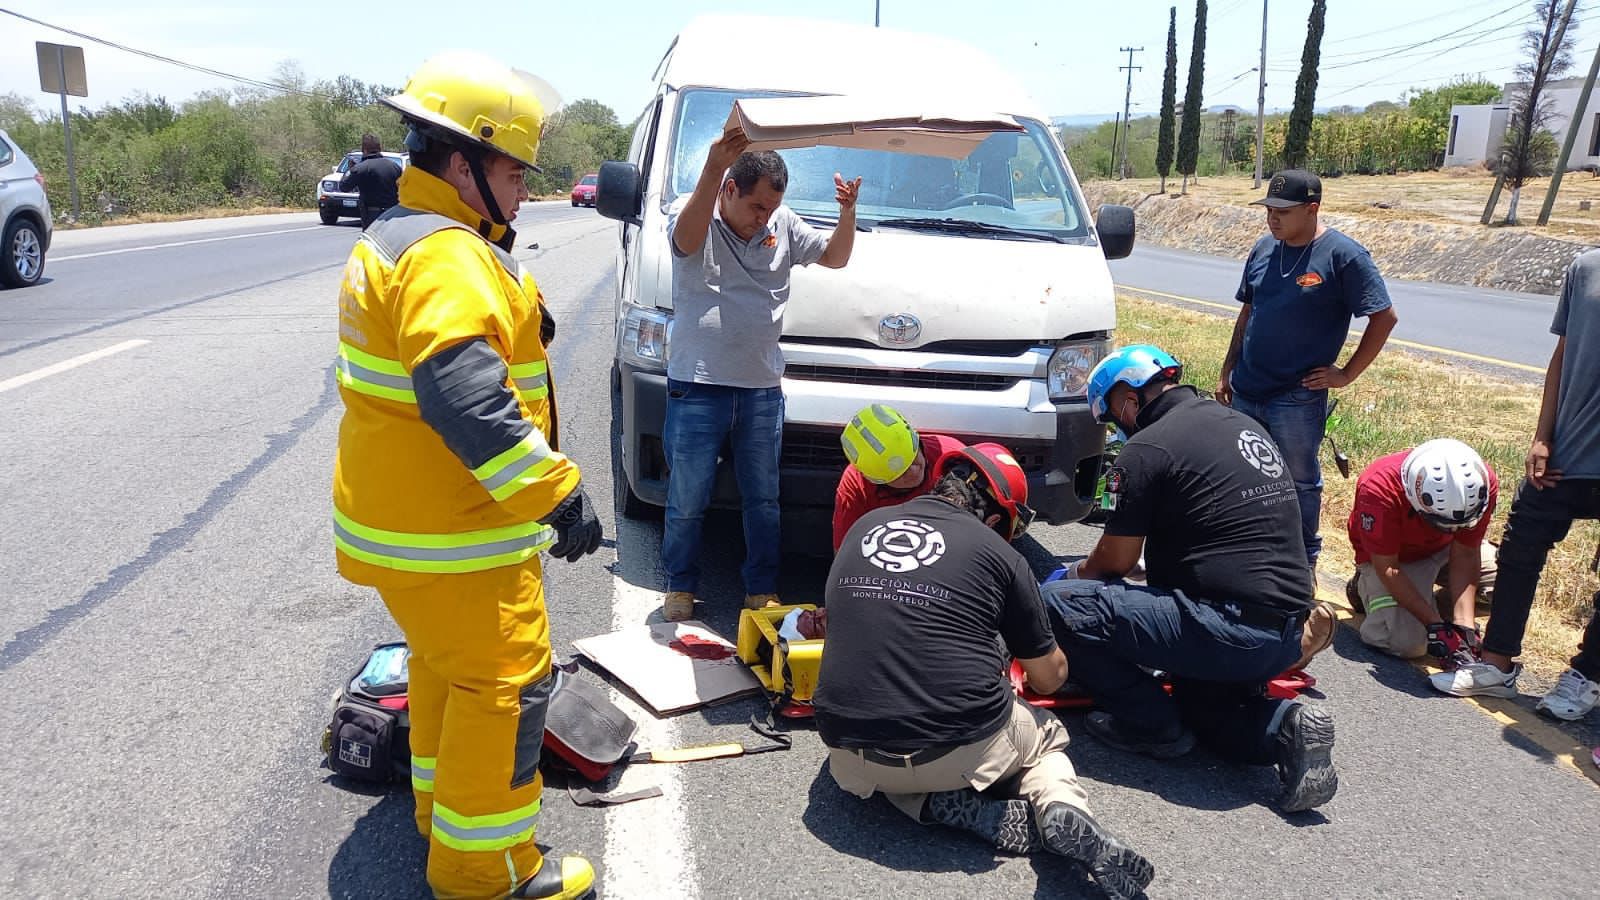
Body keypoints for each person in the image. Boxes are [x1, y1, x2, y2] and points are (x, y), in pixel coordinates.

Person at [332, 52, 602, 899]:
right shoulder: (447, 255)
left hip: (412, 523)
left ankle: (438, 814)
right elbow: (464, 395)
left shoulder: (406, 237)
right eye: (513, 170)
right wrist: (555, 490)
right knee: (507, 681)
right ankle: (485, 870)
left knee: (449, 670)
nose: (524, 188)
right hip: (454, 529)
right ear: (463, 163)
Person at [816, 444, 1154, 900]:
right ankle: (1059, 806)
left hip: (849, 754)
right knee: (1046, 735)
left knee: (886, 749)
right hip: (957, 748)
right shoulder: (1000, 553)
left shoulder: (864, 526)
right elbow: (1049, 678)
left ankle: (929, 804)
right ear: (996, 519)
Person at [1045, 344, 1338, 813]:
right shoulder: (1241, 424)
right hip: (1282, 629)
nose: (1120, 430)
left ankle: (1148, 725)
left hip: (1225, 625)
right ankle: (1289, 727)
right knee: (1207, 715)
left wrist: (1065, 577)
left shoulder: (1146, 448)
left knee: (1063, 604)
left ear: (1127, 400)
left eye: (1114, 419)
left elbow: (1112, 563)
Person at [660, 133, 862, 621]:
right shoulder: (696, 219)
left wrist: (847, 212)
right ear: (728, 190)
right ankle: (680, 587)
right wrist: (711, 168)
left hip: (761, 391)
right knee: (687, 497)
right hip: (698, 386)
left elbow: (836, 257)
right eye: (755, 205)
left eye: (771, 208)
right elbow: (684, 241)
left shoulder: (783, 225)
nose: (763, 218)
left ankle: (760, 589)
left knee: (764, 500)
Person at [1432, 250, 1600, 722]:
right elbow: (1563, 357)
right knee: (1520, 547)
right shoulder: (1586, 268)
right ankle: (1497, 663)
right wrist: (1542, 435)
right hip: (1568, 450)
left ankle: (1587, 674)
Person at [1218, 169, 1399, 569]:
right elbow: (1248, 311)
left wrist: (1346, 374)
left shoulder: (1344, 256)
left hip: (1296, 396)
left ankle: (1301, 563)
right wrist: (1226, 370)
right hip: (1248, 388)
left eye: (1282, 211)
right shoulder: (1264, 249)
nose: (1272, 218)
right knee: (1246, 473)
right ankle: (1251, 551)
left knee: (1299, 481)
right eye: (1268, 209)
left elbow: (1384, 317)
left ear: (1312, 209)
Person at [1346, 439, 1499, 664]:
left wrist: (1464, 625)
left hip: (1447, 550)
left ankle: (1442, 614)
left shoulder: (1481, 484)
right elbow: (1388, 566)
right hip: (1393, 561)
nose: (1453, 530)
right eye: (1441, 523)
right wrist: (1432, 624)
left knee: (1507, 583)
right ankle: (1362, 587)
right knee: (1407, 645)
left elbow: (1466, 552)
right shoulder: (1378, 487)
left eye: (1460, 525)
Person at [832, 403, 966, 552]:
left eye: (913, 457)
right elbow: (845, 553)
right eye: (900, 474)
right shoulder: (856, 485)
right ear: (875, 481)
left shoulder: (952, 456)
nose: (914, 471)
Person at [340, 133, 403, 229]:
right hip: (392, 214)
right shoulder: (394, 166)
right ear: (380, 148)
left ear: (364, 150)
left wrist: (350, 169)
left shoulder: (361, 168)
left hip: (372, 215)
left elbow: (344, 187)